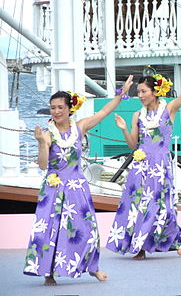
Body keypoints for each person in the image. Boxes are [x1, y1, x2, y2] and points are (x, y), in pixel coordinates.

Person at [106, 53, 181, 259]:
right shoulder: (136, 115)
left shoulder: (168, 109)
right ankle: (138, 246)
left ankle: (174, 240)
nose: (140, 95)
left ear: (154, 92)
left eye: (143, 91)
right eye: (138, 92)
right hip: (140, 166)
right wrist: (123, 129)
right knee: (136, 204)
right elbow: (133, 144)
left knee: (162, 205)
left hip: (160, 165)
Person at [23, 76, 134, 285]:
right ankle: (49, 273)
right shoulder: (48, 135)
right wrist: (39, 143)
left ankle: (93, 268)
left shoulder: (80, 127)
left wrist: (122, 93)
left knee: (87, 229)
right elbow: (43, 164)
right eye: (53, 108)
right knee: (52, 229)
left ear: (69, 108)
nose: (56, 111)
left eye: (60, 107)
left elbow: (103, 112)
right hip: (54, 189)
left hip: (77, 187)